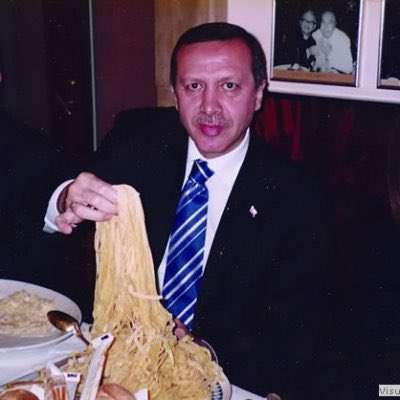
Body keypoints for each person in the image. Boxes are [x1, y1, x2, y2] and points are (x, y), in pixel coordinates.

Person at [45, 22, 339, 398]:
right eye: (194, 86)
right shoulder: (137, 144)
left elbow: (297, 332)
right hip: (112, 365)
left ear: (258, 94)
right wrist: (65, 199)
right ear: (175, 94)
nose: (209, 107)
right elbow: (69, 207)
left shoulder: (297, 196)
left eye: (229, 86)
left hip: (216, 379)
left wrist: (200, 349)